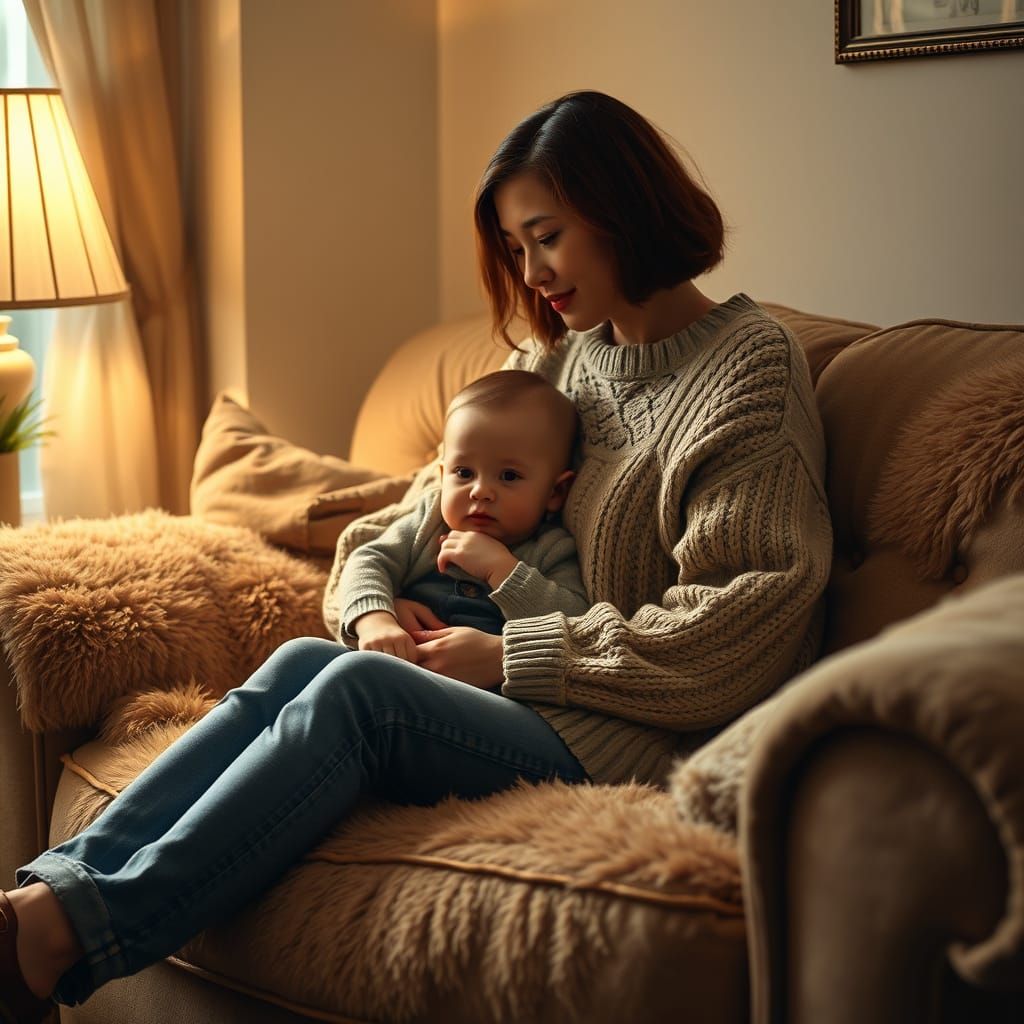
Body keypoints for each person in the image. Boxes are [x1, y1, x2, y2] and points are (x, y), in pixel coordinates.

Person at [0, 89, 832, 1020]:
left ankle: (60, 939)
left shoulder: (748, 366)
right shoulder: (561, 361)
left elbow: (742, 626)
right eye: (518, 248)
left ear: (622, 208)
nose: (533, 272)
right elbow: (392, 528)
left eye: (546, 236)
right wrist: (373, 613)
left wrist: (514, 654)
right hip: (522, 695)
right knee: (311, 660)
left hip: (641, 731)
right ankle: (41, 899)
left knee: (359, 699)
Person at [340, 368, 588, 662]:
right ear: (443, 475)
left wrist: (504, 571)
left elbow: (575, 622)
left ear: (555, 493)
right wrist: (377, 619)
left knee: (346, 676)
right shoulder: (430, 521)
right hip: (402, 663)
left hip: (476, 692)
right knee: (298, 653)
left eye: (509, 476)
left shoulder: (550, 549)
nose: (480, 491)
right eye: (464, 473)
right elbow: (367, 560)